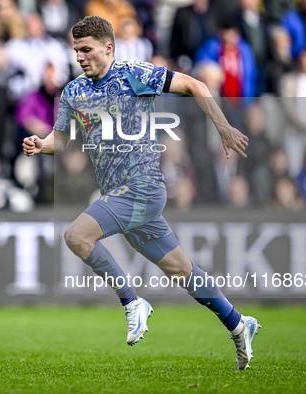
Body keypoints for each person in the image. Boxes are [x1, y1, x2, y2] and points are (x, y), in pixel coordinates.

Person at [22, 16, 260, 370]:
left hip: (144, 189)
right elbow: (61, 140)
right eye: (76, 51)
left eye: (87, 50)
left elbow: (196, 85)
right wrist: (42, 145)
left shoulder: (136, 74)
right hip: (119, 196)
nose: (81, 57)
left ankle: (132, 302)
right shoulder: (74, 91)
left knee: (76, 236)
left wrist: (223, 128)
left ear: (108, 48)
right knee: (181, 270)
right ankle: (238, 323)